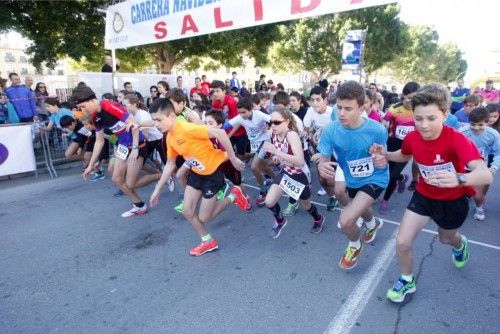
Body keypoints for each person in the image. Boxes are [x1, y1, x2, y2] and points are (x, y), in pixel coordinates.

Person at [371, 84, 493, 303]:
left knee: (446, 239)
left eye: (431, 118)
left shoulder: (457, 139)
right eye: (419, 119)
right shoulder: (413, 136)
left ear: (444, 115)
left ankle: (459, 244)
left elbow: (485, 175)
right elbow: (404, 154)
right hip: (424, 196)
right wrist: (385, 155)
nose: (424, 125)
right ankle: (407, 280)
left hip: (452, 201)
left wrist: (460, 178)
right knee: (402, 242)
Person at [149, 98, 249, 256]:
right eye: (153, 120)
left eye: (159, 120)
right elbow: (169, 164)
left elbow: (221, 133)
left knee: (204, 217)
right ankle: (208, 241)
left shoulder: (188, 129)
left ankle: (234, 196)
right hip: (196, 172)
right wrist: (157, 189)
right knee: (187, 211)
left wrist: (233, 158)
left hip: (212, 174)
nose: (156, 124)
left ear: (172, 116)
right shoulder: (169, 137)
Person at [318, 80, 388, 270]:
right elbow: (324, 158)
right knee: (359, 206)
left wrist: (380, 157)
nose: (341, 113)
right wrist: (322, 167)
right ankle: (372, 224)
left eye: (348, 109)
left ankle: (354, 245)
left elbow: (383, 157)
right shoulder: (331, 129)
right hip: (351, 177)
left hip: (375, 178)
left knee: (347, 220)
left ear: (362, 107)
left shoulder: (377, 129)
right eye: (339, 107)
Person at [72, 85, 157, 218]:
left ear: (91, 100)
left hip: (137, 145)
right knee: (117, 178)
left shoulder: (109, 106)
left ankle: (163, 176)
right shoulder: (95, 116)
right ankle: (139, 206)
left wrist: (135, 148)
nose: (83, 110)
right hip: (123, 146)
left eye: (83, 106)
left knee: (131, 183)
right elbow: (99, 141)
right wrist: (90, 165)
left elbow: (133, 124)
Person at [262, 106, 325, 238]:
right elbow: (280, 154)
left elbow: (300, 161)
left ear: (287, 122)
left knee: (306, 205)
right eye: (270, 122)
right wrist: (276, 158)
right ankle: (280, 221)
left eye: (277, 122)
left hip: (299, 175)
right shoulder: (273, 134)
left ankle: (318, 218)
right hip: (286, 172)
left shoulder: (292, 135)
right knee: (269, 201)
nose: (272, 125)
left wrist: (277, 152)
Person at [379, 82, 420, 214]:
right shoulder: (395, 109)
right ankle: (401, 179)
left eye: (415, 98)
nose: (412, 101)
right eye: (409, 98)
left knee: (392, 175)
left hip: (407, 148)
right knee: (389, 172)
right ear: (404, 95)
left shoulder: (419, 110)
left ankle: (385, 200)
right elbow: (383, 124)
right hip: (392, 143)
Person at [228, 96, 274, 206]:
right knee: (263, 166)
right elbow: (227, 125)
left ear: (250, 109)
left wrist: (268, 126)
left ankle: (263, 191)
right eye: (240, 113)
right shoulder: (240, 117)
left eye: (244, 112)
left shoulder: (259, 114)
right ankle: (277, 181)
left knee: (254, 167)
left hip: (264, 141)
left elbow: (273, 120)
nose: (242, 115)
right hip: (254, 143)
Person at [205, 110, 252, 212]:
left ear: (220, 125)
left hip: (230, 166)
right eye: (205, 123)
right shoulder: (206, 136)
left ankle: (245, 198)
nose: (207, 126)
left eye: (210, 123)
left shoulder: (222, 138)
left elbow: (227, 155)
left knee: (238, 184)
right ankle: (223, 187)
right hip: (218, 166)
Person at [459, 107, 500, 221]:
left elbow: (498, 153)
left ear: (487, 122)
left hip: (482, 168)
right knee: (459, 193)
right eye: (473, 124)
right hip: (464, 168)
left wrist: (494, 166)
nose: (476, 128)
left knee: (478, 195)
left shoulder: (494, 134)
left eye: (480, 125)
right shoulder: (462, 132)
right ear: (469, 122)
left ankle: (479, 207)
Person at [303, 86, 337, 210]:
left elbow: (341, 131)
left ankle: (339, 193)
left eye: (318, 99)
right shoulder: (310, 111)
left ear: (325, 100)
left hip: (336, 150)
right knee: (322, 180)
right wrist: (307, 133)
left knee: (330, 179)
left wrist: (323, 131)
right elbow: (306, 130)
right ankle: (333, 196)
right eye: (312, 100)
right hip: (320, 149)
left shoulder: (333, 112)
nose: (315, 103)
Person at [60, 114, 106, 181]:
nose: (68, 129)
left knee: (90, 157)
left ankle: (98, 171)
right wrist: (81, 147)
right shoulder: (76, 127)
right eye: (66, 128)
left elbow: (86, 136)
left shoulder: (80, 126)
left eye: (67, 127)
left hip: (94, 139)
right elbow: (82, 136)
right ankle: (97, 170)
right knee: (87, 157)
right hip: (91, 139)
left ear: (72, 123)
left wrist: (81, 147)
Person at [211, 80, 249, 161]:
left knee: (240, 157)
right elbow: (213, 118)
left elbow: (238, 121)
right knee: (227, 154)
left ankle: (253, 155)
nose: (215, 93)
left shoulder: (231, 102)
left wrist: (228, 136)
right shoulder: (215, 103)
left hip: (239, 132)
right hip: (226, 131)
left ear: (224, 91)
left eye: (217, 91)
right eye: (214, 91)